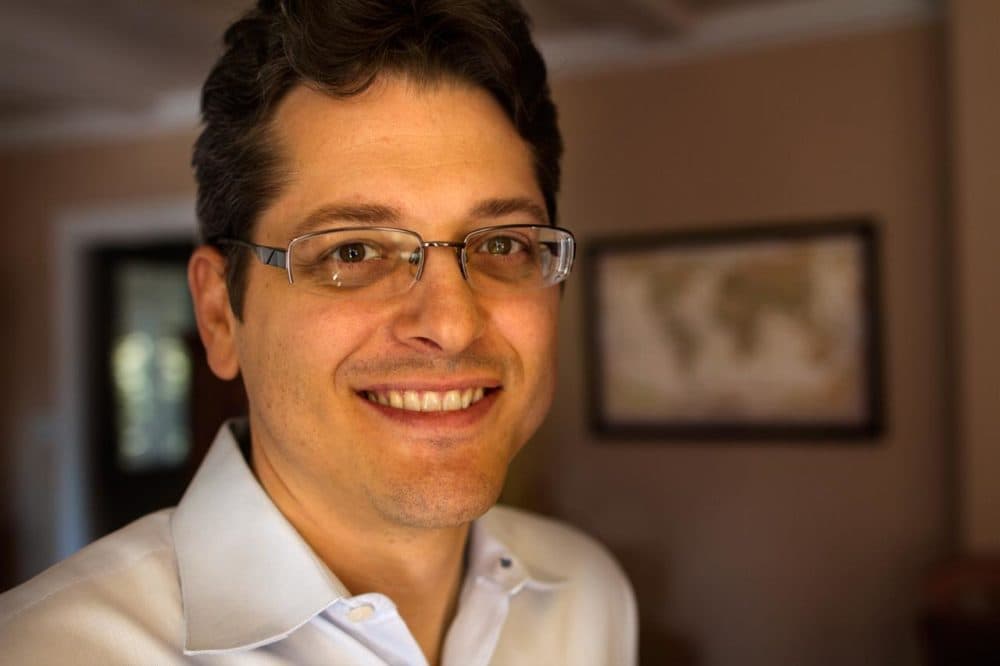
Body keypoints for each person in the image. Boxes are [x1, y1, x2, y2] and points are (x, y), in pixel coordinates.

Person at [0, 0, 637, 663]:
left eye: (503, 244)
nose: (450, 324)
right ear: (220, 314)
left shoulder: (587, 595)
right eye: (354, 252)